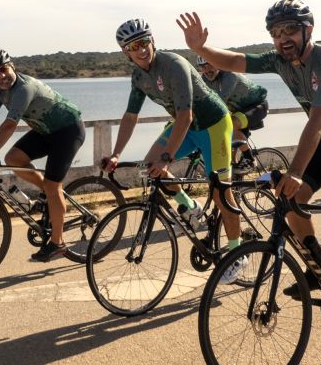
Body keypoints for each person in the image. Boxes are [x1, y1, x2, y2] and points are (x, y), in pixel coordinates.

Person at [177, 0, 321, 320]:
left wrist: (296, 170)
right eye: (275, 32)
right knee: (290, 198)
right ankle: (318, 261)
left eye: (290, 30)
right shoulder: (280, 60)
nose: (283, 38)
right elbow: (238, 61)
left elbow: (317, 120)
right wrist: (203, 48)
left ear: (308, 30)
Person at [103, 18, 244, 283]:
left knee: (221, 192)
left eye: (144, 41)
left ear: (152, 40)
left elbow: (185, 115)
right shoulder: (138, 76)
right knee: (150, 167)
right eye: (134, 46)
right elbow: (130, 116)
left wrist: (168, 156)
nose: (141, 49)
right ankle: (189, 206)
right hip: (187, 127)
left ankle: (237, 252)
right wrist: (116, 154)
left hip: (212, 124)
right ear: (126, 52)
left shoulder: (174, 65)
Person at [0, 49, 85, 262]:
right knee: (13, 158)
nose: (1, 76)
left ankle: (58, 243)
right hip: (45, 131)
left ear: (13, 67)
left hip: (68, 130)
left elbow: (9, 125)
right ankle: (48, 196)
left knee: (53, 184)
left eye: (3, 70)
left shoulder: (24, 88)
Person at [195, 55, 269, 172]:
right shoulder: (203, 79)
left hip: (257, 106)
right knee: (228, 145)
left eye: (210, 65)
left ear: (217, 63)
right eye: (203, 67)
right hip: (238, 111)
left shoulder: (230, 75)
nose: (207, 70)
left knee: (231, 124)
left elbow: (219, 101)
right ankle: (235, 175)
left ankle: (249, 159)